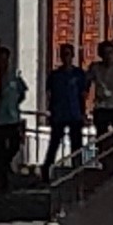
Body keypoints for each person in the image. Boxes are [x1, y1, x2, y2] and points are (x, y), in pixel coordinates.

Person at [40, 43, 86, 181]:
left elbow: (82, 95)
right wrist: (50, 111)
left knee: (76, 144)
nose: (66, 58)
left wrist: (83, 112)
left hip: (75, 113)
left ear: (72, 56)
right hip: (59, 114)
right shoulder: (55, 75)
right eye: (64, 54)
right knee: (54, 143)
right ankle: (46, 170)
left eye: (68, 54)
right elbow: (50, 94)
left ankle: (77, 171)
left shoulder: (78, 74)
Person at [0, 45, 28, 192]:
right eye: (1, 60)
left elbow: (22, 94)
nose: (3, 63)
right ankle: (2, 179)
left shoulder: (14, 78)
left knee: (14, 145)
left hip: (12, 119)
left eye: (5, 60)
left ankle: (4, 166)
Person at [86, 39, 113, 174]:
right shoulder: (95, 68)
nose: (108, 56)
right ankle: (103, 161)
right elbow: (87, 85)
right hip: (101, 107)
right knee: (101, 136)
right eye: (105, 53)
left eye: (110, 53)